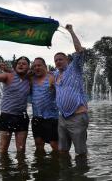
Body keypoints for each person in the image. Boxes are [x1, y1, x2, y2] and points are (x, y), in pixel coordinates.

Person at [54, 24, 88, 155]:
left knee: (80, 152)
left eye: (60, 59)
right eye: (56, 60)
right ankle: (66, 175)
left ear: (67, 59)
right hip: (62, 118)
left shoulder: (75, 68)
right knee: (62, 150)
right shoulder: (56, 74)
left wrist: (71, 31)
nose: (58, 62)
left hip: (78, 116)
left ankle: (81, 174)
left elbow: (79, 50)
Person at [30, 57, 59, 152]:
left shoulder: (52, 77)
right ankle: (40, 165)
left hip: (52, 118)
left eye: (39, 65)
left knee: (54, 145)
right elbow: (19, 74)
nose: (37, 68)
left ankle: (58, 165)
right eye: (34, 66)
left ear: (45, 67)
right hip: (37, 118)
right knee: (38, 144)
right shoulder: (31, 79)